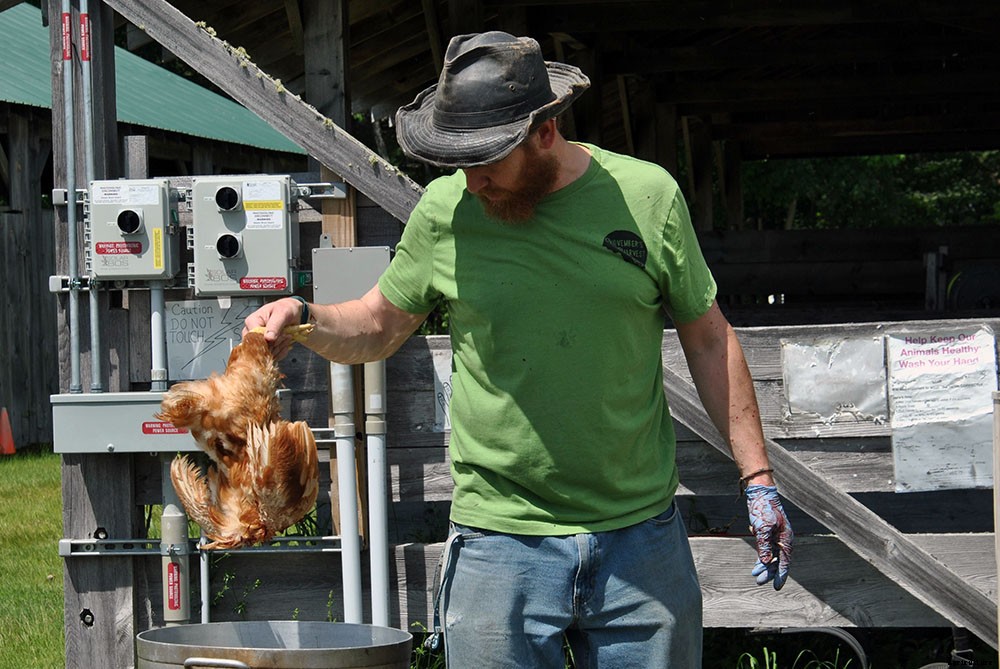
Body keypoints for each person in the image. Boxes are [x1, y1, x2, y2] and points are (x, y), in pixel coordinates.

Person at [245, 31, 793, 669]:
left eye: (487, 160)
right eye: (459, 161)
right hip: (498, 541)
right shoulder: (445, 209)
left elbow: (708, 334)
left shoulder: (647, 197)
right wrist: (304, 317)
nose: (472, 181)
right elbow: (377, 322)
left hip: (638, 539)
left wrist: (758, 480)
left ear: (544, 133)